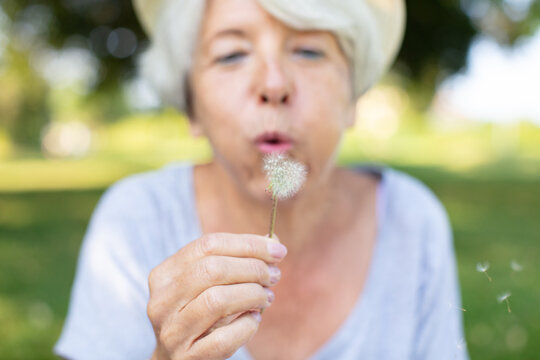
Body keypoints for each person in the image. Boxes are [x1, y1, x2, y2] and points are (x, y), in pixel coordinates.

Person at [54, 0, 469, 359]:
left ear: (353, 97)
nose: (273, 84)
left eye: (308, 51)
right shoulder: (135, 220)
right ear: (191, 108)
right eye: (232, 55)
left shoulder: (413, 221)